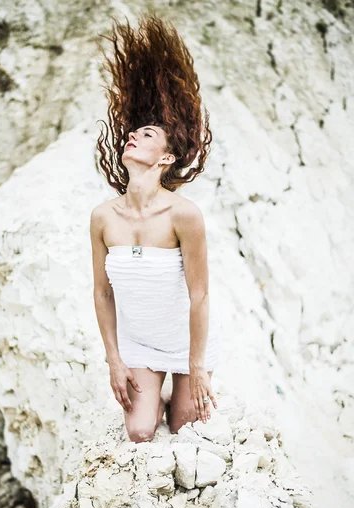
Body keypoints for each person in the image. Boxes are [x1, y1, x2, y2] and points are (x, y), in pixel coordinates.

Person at [90, 14, 222, 443]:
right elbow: (102, 291)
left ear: (166, 159)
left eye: (147, 135)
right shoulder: (103, 217)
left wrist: (197, 366)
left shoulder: (184, 215)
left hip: (186, 344)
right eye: (132, 133)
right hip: (139, 345)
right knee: (141, 430)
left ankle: (181, 387)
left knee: (186, 428)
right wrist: (114, 359)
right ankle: (155, 393)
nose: (132, 136)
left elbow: (200, 294)